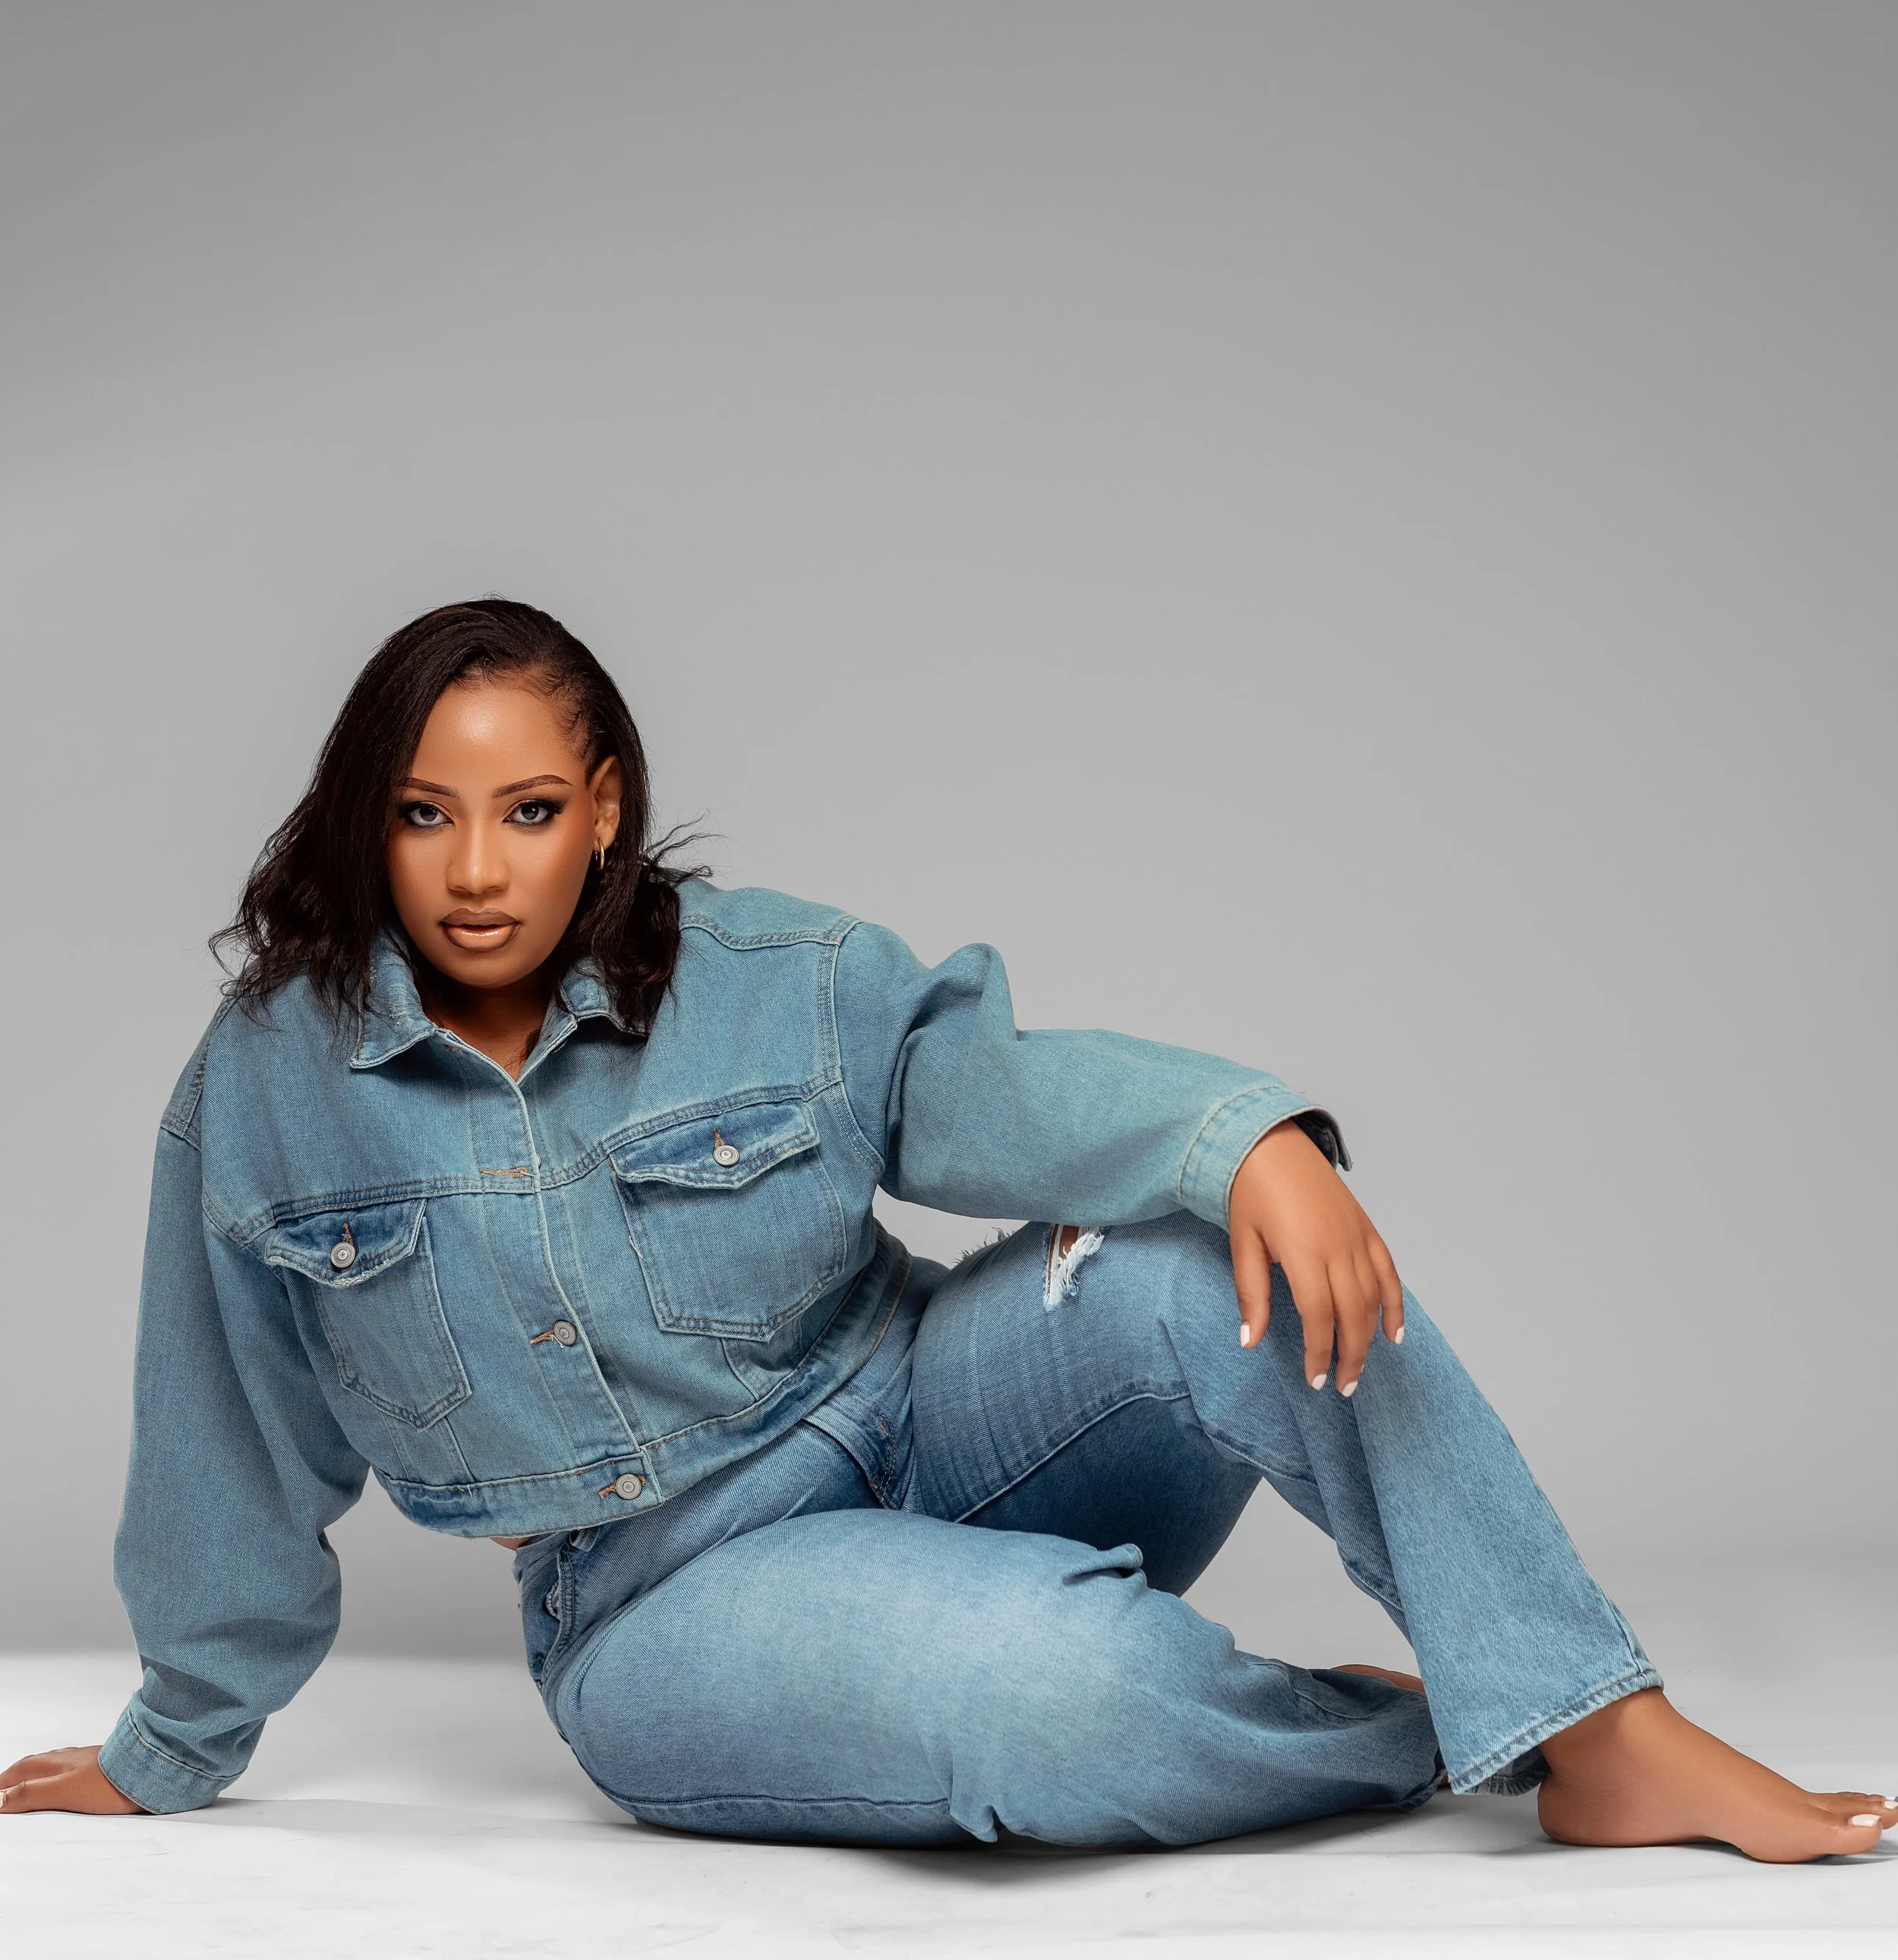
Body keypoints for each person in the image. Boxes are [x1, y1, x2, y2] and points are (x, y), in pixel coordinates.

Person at [2, 600, 1890, 1861]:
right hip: (660, 1601)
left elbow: (996, 1097)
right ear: (368, 820)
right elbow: (226, 1444)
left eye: (524, 808)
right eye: (423, 813)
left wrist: (1247, 1142)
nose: (474, 868)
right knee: (1044, 1697)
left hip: (937, 1415)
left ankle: (1595, 1716)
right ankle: (1389, 1729)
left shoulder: (771, 975)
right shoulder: (266, 1083)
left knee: (1204, 1265)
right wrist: (172, 1744)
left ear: (608, 812)